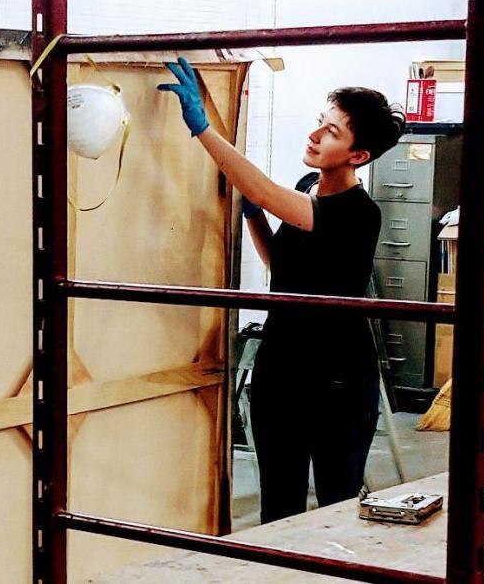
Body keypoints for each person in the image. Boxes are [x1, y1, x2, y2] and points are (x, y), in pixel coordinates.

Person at [159, 57, 405, 523]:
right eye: (319, 124)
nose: (314, 136)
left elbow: (265, 189)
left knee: (334, 504)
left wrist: (204, 130)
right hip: (283, 370)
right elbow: (282, 267)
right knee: (279, 504)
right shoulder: (307, 187)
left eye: (332, 132)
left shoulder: (358, 212)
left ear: (359, 156)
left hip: (338, 381)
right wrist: (253, 216)